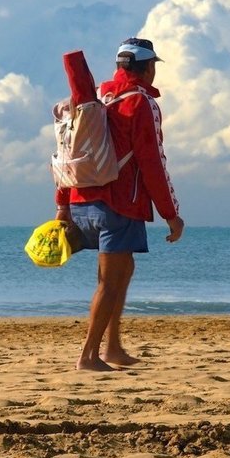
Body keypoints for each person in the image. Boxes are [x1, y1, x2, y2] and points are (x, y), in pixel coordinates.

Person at [55, 37, 184, 371]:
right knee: (110, 283)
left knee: (121, 272)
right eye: (153, 66)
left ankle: (113, 347)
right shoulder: (140, 103)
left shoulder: (97, 96)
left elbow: (68, 148)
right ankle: (88, 356)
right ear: (147, 68)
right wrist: (171, 214)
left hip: (82, 200)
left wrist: (62, 204)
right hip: (120, 203)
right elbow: (153, 160)